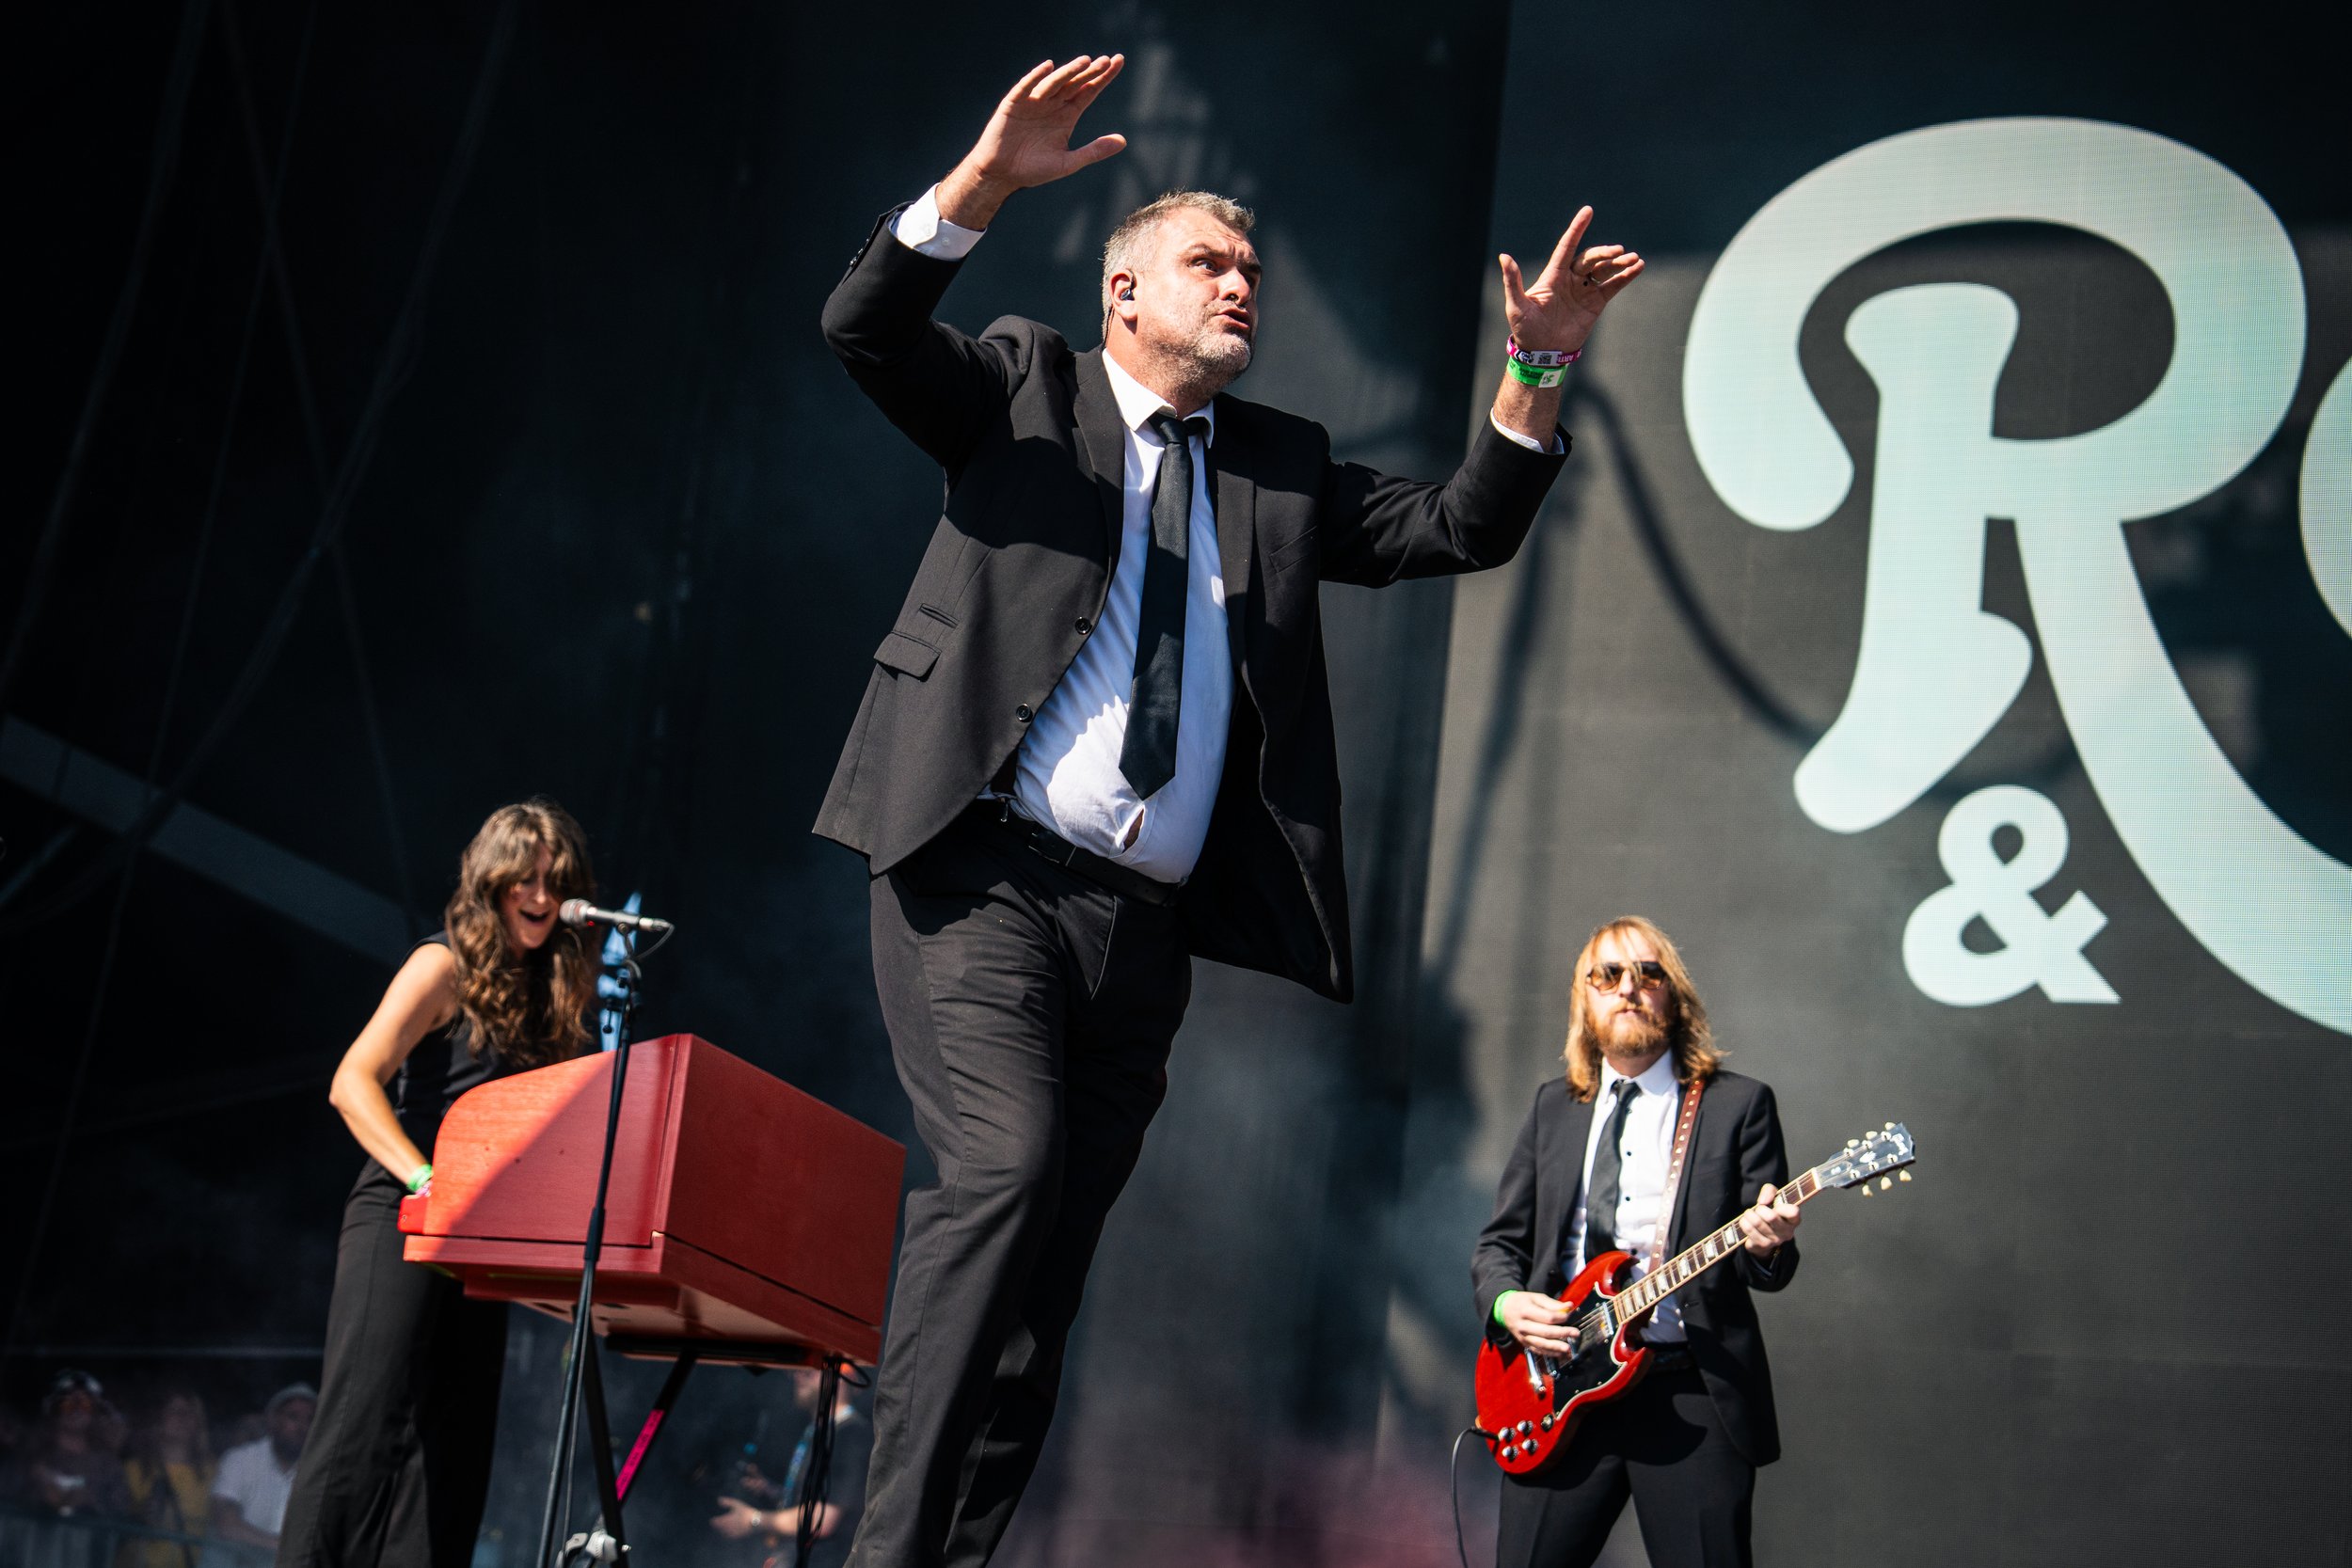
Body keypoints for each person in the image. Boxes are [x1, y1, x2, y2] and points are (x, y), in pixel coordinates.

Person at [817, 52, 1642, 1568]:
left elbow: (1461, 524)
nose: (1243, 285)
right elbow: (863, 325)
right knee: (1000, 1177)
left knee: (1048, 1264)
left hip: (1138, 934)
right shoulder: (1021, 383)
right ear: (1124, 294)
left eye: (1255, 268)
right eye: (1210, 262)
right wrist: (985, 182)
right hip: (979, 879)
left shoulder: (1277, 465)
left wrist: (1537, 369)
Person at [276, 800, 600, 1568]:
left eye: (557, 881)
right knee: (364, 1419)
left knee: (452, 1443)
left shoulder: (555, 989)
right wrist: (426, 1177)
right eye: (527, 878)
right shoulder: (443, 963)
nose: (543, 896)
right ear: (494, 881)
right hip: (406, 1211)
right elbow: (353, 1080)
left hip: (483, 1240)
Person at [1471, 917, 1803, 1568]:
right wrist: (1508, 1304)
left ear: (1674, 996)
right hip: (1558, 1391)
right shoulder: (1553, 1107)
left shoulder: (1738, 1106)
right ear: (1584, 1000)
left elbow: (1771, 1263)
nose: (1629, 988)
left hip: (1686, 1389)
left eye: (1649, 973)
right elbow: (1499, 1244)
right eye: (1608, 975)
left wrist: (1766, 1243)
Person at [710, 1371, 872, 1568]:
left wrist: (754, 1520)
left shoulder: (852, 1436)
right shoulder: (816, 1431)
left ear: (841, 1379)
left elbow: (822, 1520)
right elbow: (813, 1500)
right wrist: (771, 1489)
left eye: (810, 1372)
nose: (798, 1376)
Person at [6, 1370, 129, 1518]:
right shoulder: (29, 1457)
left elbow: (120, 1516)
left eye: (85, 1403)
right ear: (53, 1407)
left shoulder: (107, 1465)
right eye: (68, 1403)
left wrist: (87, 1501)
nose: (77, 1410)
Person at [212, 1386, 313, 1553]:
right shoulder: (240, 1460)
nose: (303, 1427)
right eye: (293, 1417)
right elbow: (226, 1525)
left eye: (310, 1419)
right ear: (273, 1421)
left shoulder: (323, 1470)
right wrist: (283, 1548)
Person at [123, 1388, 215, 1568]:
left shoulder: (213, 1473)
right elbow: (115, 1520)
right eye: (174, 1411)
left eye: (190, 1411)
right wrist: (139, 1515)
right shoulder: (134, 1469)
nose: (183, 1417)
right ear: (158, 1419)